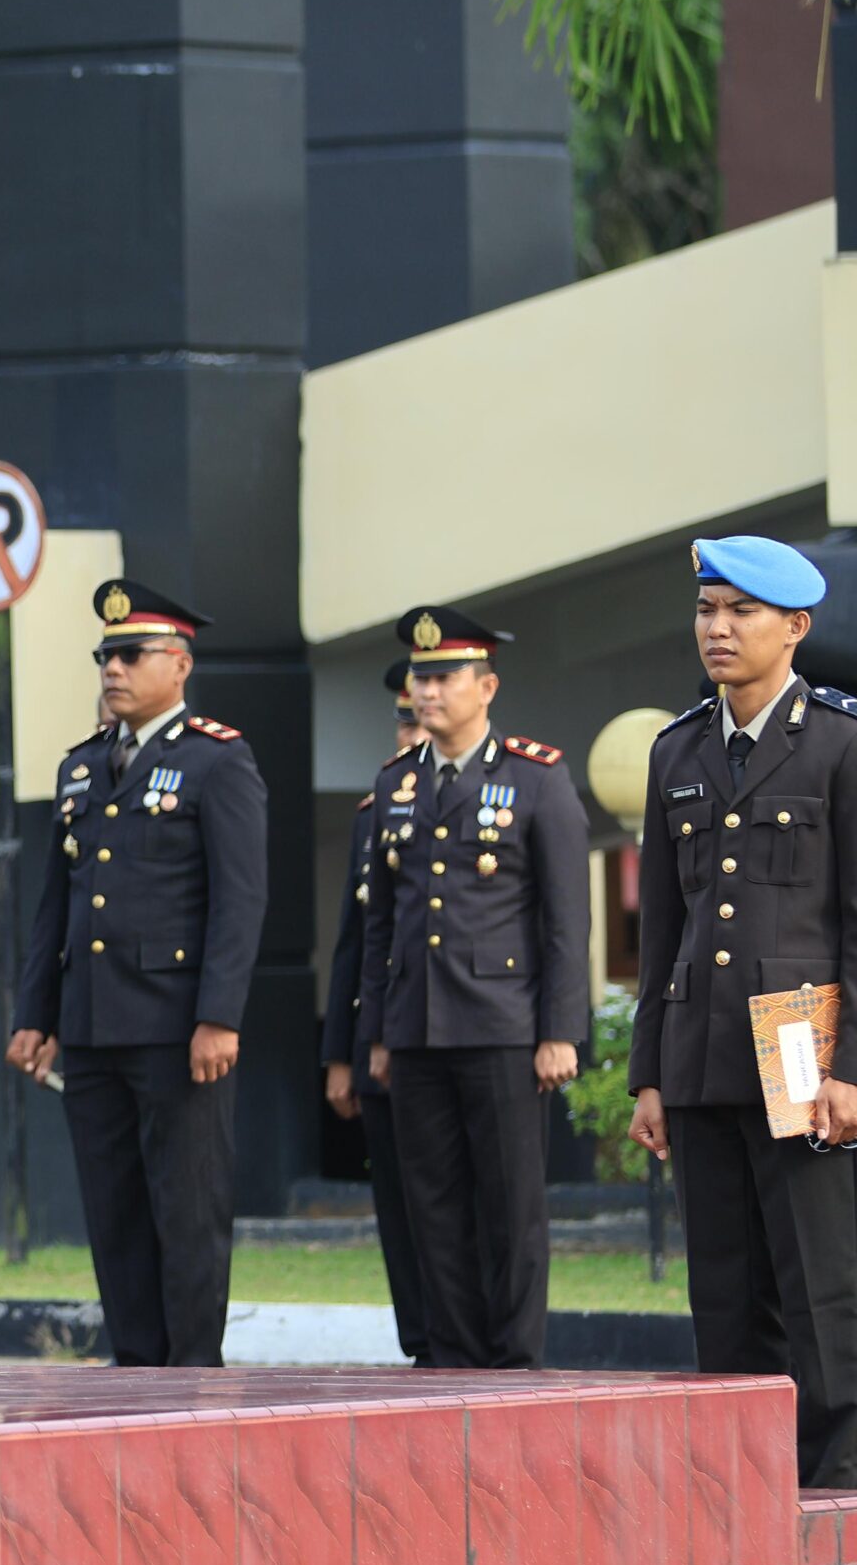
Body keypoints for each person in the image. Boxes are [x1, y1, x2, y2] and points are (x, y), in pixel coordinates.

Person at [630, 537, 857, 1487]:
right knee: (723, 1281)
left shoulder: (843, 743)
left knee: (818, 1276)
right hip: (702, 1052)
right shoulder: (677, 747)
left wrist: (852, 1068)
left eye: (741, 613)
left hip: (804, 1050)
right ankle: (738, 1478)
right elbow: (663, 929)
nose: (717, 630)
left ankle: (837, 1467)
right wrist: (648, 1072)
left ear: (794, 627)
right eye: (706, 610)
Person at [5, 580, 268, 1367]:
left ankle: (189, 1372)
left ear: (179, 664)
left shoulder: (217, 759)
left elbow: (239, 898)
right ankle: (134, 1367)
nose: (112, 669)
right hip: (91, 1025)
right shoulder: (83, 767)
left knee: (185, 1209)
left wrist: (219, 1015)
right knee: (113, 1209)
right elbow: (55, 904)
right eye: (103, 656)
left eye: (129, 654)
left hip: (175, 1025)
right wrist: (35, 1013)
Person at [357, 606, 587, 1371]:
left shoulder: (534, 775)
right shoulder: (395, 784)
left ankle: (515, 1360)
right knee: (434, 1206)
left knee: (511, 1207)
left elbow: (565, 919)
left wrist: (560, 1030)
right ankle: (453, 1358)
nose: (428, 691)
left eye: (444, 675)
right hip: (419, 1028)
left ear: (486, 685)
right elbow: (381, 929)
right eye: (420, 677)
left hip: (503, 1026)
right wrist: (380, 1036)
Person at [321, 659, 433, 1365]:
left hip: (460, 1036)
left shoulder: (502, 792)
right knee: (397, 1203)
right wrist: (342, 1053)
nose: (410, 727)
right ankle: (420, 1340)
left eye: (419, 714)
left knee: (450, 1201)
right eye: (402, 716)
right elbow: (354, 944)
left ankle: (469, 1346)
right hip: (382, 1039)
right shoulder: (375, 811)